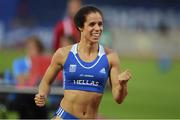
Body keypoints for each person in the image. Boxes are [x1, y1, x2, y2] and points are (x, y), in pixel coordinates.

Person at [34, 6, 132, 119]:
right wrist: (42, 94)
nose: (97, 28)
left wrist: (123, 85)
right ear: (80, 26)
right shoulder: (63, 54)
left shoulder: (110, 57)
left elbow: (118, 99)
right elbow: (45, 82)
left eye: (100, 24)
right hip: (65, 117)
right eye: (92, 24)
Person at [13, 36, 48, 119]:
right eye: (29, 47)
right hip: (24, 95)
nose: (31, 50)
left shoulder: (44, 62)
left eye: (34, 48)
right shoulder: (19, 62)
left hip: (39, 94)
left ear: (39, 50)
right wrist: (34, 73)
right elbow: (20, 80)